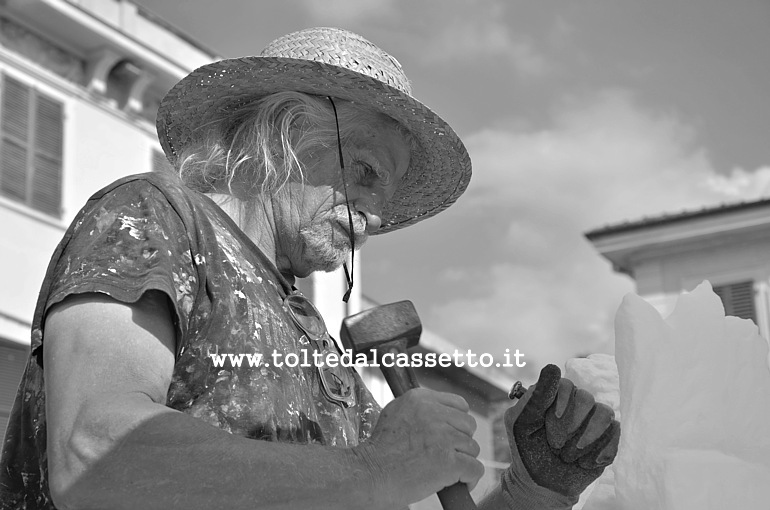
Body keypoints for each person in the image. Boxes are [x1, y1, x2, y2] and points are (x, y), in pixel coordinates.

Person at [0, 27, 619, 509]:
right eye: (368, 173)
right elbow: (95, 452)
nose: (375, 218)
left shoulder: (320, 349)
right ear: (284, 136)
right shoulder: (152, 217)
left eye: (389, 195)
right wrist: (377, 469)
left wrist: (532, 491)